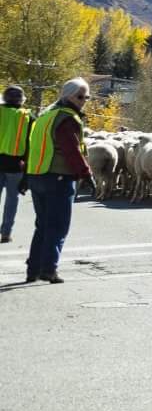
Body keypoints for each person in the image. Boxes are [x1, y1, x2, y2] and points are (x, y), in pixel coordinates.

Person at [21, 78, 94, 284]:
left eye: (86, 97)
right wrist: (85, 174)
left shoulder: (46, 116)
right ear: (68, 96)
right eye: (80, 97)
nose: (84, 101)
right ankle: (49, 268)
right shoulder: (67, 119)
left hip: (37, 175)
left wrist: (26, 174)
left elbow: (32, 146)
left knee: (43, 225)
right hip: (58, 177)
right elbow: (71, 149)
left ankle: (33, 269)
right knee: (58, 226)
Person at [0, 84, 29, 243]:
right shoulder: (27, 117)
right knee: (12, 200)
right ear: (22, 100)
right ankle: (6, 233)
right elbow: (31, 145)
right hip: (16, 165)